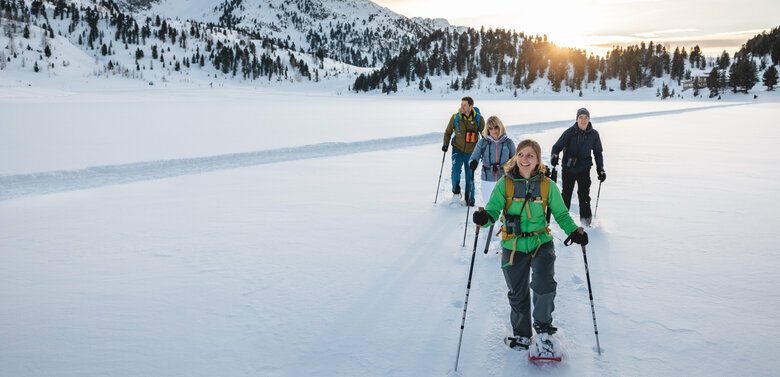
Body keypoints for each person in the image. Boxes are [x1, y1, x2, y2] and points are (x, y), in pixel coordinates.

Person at [472, 139, 588, 351]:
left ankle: (543, 328)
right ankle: (522, 334)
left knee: (544, 285)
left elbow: (561, 214)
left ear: (537, 160)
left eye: (530, 155)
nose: (524, 159)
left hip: (540, 242)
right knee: (517, 293)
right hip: (512, 244)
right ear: (516, 157)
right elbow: (492, 211)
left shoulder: (547, 185)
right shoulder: (504, 184)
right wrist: (483, 219)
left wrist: (573, 231)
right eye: (521, 154)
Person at [550, 108, 605, 226]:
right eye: (581, 117)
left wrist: (600, 169)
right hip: (568, 168)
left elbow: (598, 153)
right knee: (566, 195)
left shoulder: (594, 134)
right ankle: (562, 221)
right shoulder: (569, 132)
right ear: (577, 119)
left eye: (586, 117)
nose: (583, 120)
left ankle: (586, 223)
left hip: (584, 169)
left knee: (584, 195)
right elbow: (556, 147)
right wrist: (554, 156)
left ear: (589, 119)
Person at [442, 96, 485, 206]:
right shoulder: (456, 117)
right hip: (457, 149)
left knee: (469, 175)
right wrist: (445, 144)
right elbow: (448, 132)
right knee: (455, 171)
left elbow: (484, 135)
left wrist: (484, 149)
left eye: (464, 105)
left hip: (471, 152)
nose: (462, 107)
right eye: (461, 104)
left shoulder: (479, 119)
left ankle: (469, 196)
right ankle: (456, 194)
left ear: (471, 106)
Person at [468, 115, 515, 207]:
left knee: (504, 210)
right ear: (488, 130)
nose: (494, 131)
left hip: (505, 180)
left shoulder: (508, 143)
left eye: (496, 127)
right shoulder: (483, 143)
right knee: (489, 209)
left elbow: (515, 160)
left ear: (500, 127)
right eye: (491, 128)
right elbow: (473, 158)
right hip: (487, 181)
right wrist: (473, 162)